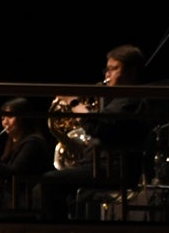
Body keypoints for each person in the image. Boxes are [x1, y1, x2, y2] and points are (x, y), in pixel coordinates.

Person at [41, 44, 151, 220]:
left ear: (132, 72)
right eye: (106, 69)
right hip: (99, 166)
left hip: (112, 170)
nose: (107, 75)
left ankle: (59, 232)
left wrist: (74, 103)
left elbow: (98, 128)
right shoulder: (119, 100)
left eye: (114, 69)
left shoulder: (131, 101)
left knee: (50, 182)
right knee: (46, 186)